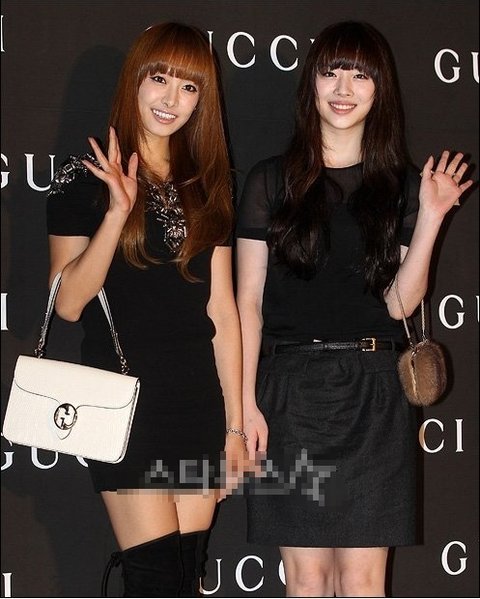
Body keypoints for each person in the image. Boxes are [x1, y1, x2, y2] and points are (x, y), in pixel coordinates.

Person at [235, 21, 473, 598]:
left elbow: (400, 304)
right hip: (290, 395)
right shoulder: (270, 181)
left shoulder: (402, 187)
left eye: (360, 75)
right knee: (306, 582)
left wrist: (432, 216)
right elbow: (248, 303)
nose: (344, 88)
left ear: (380, 89)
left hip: (374, 394)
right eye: (331, 72)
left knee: (365, 582)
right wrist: (244, 405)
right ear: (311, 84)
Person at [46, 22, 246, 598]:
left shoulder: (207, 186)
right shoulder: (82, 177)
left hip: (197, 405)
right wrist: (116, 213)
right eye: (160, 79)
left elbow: (222, 311)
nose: (171, 99)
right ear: (134, 81)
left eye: (189, 87)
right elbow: (67, 304)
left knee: (185, 577)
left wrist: (234, 425)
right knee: (155, 581)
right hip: (124, 406)